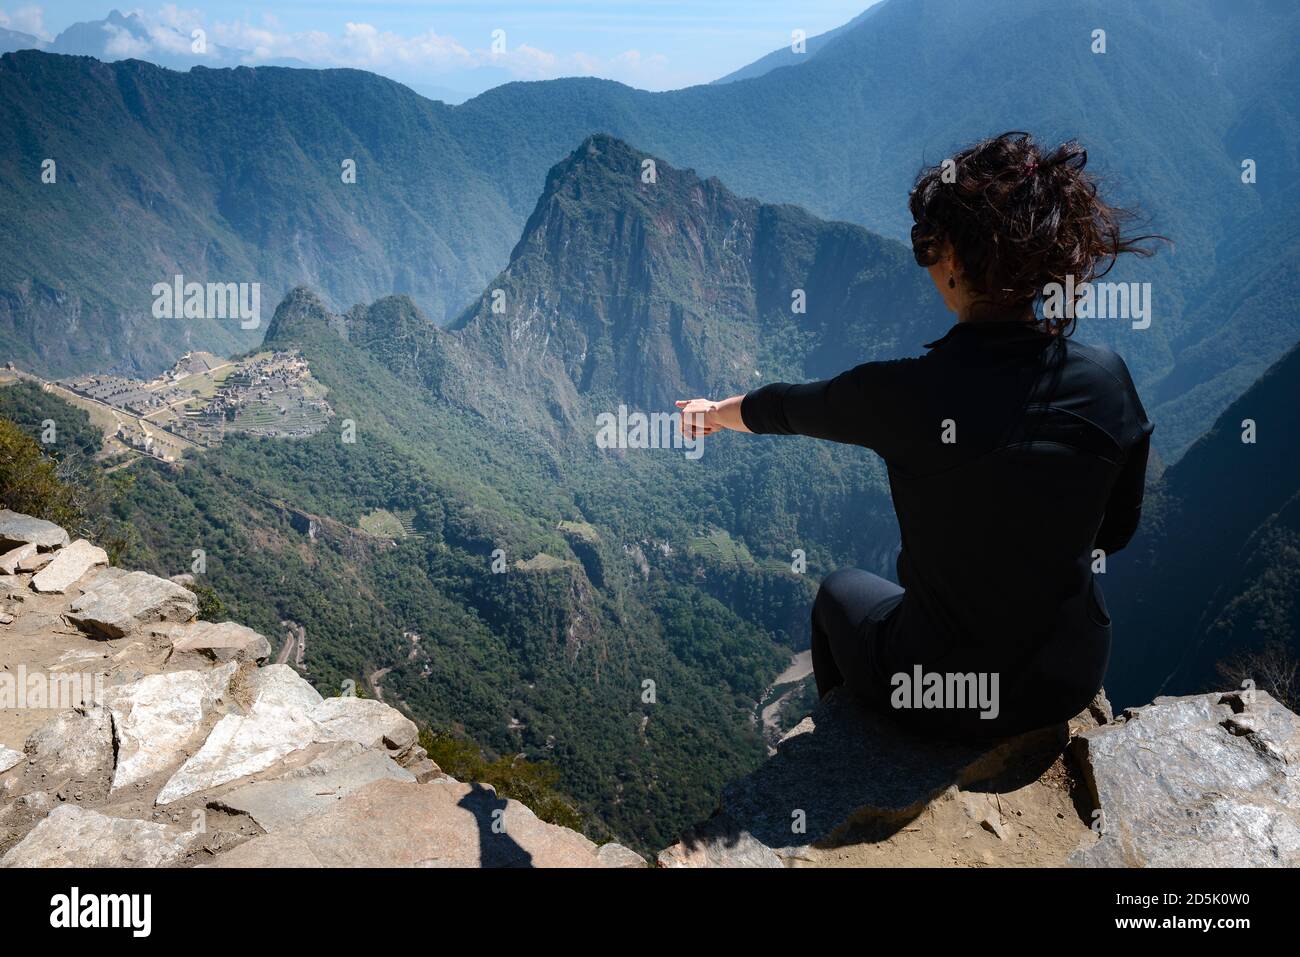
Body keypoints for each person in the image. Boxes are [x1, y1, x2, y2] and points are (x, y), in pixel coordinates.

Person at [676, 131, 1164, 741]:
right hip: (1066, 676)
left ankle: (847, 757)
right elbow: (1113, 532)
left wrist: (716, 412)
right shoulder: (1108, 382)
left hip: (937, 690)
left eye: (928, 247)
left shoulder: (904, 396)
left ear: (953, 259)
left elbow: (795, 407)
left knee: (837, 593)